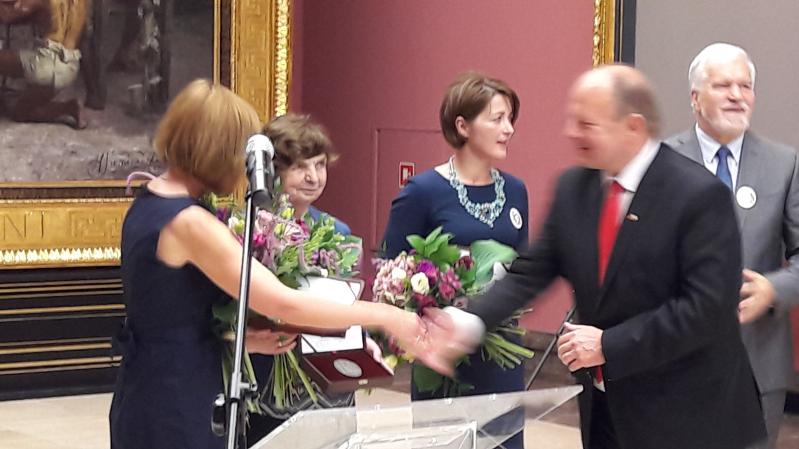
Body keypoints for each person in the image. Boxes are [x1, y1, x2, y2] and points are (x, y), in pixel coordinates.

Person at [419, 65, 766, 449]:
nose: (572, 133)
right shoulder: (573, 188)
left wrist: (608, 346)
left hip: (689, 417)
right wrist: (467, 322)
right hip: (606, 412)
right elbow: (530, 272)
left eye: (587, 124)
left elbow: (706, 309)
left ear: (633, 127)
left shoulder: (697, 195)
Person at [108, 80, 428, 449]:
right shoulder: (190, 223)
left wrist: (240, 341)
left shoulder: (150, 200)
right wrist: (388, 316)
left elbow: (171, 314)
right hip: (178, 396)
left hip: (147, 383)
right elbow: (282, 302)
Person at [381, 71, 528, 449]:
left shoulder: (516, 191)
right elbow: (390, 271)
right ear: (463, 126)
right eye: (497, 119)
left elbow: (524, 269)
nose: (508, 129)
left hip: (502, 352)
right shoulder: (423, 191)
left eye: (510, 119)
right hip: (444, 355)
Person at [665, 42, 799, 449]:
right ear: (695, 98)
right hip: (675, 362)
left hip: (757, 365)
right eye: (723, 86)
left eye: (745, 86)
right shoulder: (660, 162)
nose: (737, 95)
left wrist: (774, 289)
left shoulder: (784, 164)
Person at [245, 113, 378, 445]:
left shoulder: (338, 232)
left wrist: (361, 339)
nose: (313, 177)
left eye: (320, 165)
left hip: (328, 383)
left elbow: (346, 305)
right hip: (268, 378)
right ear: (273, 171)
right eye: (300, 167)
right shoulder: (250, 230)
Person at [0, 0, 89, 128]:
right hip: (70, 66)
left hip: (46, 65)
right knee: (21, 112)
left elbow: (7, 15)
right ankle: (70, 108)